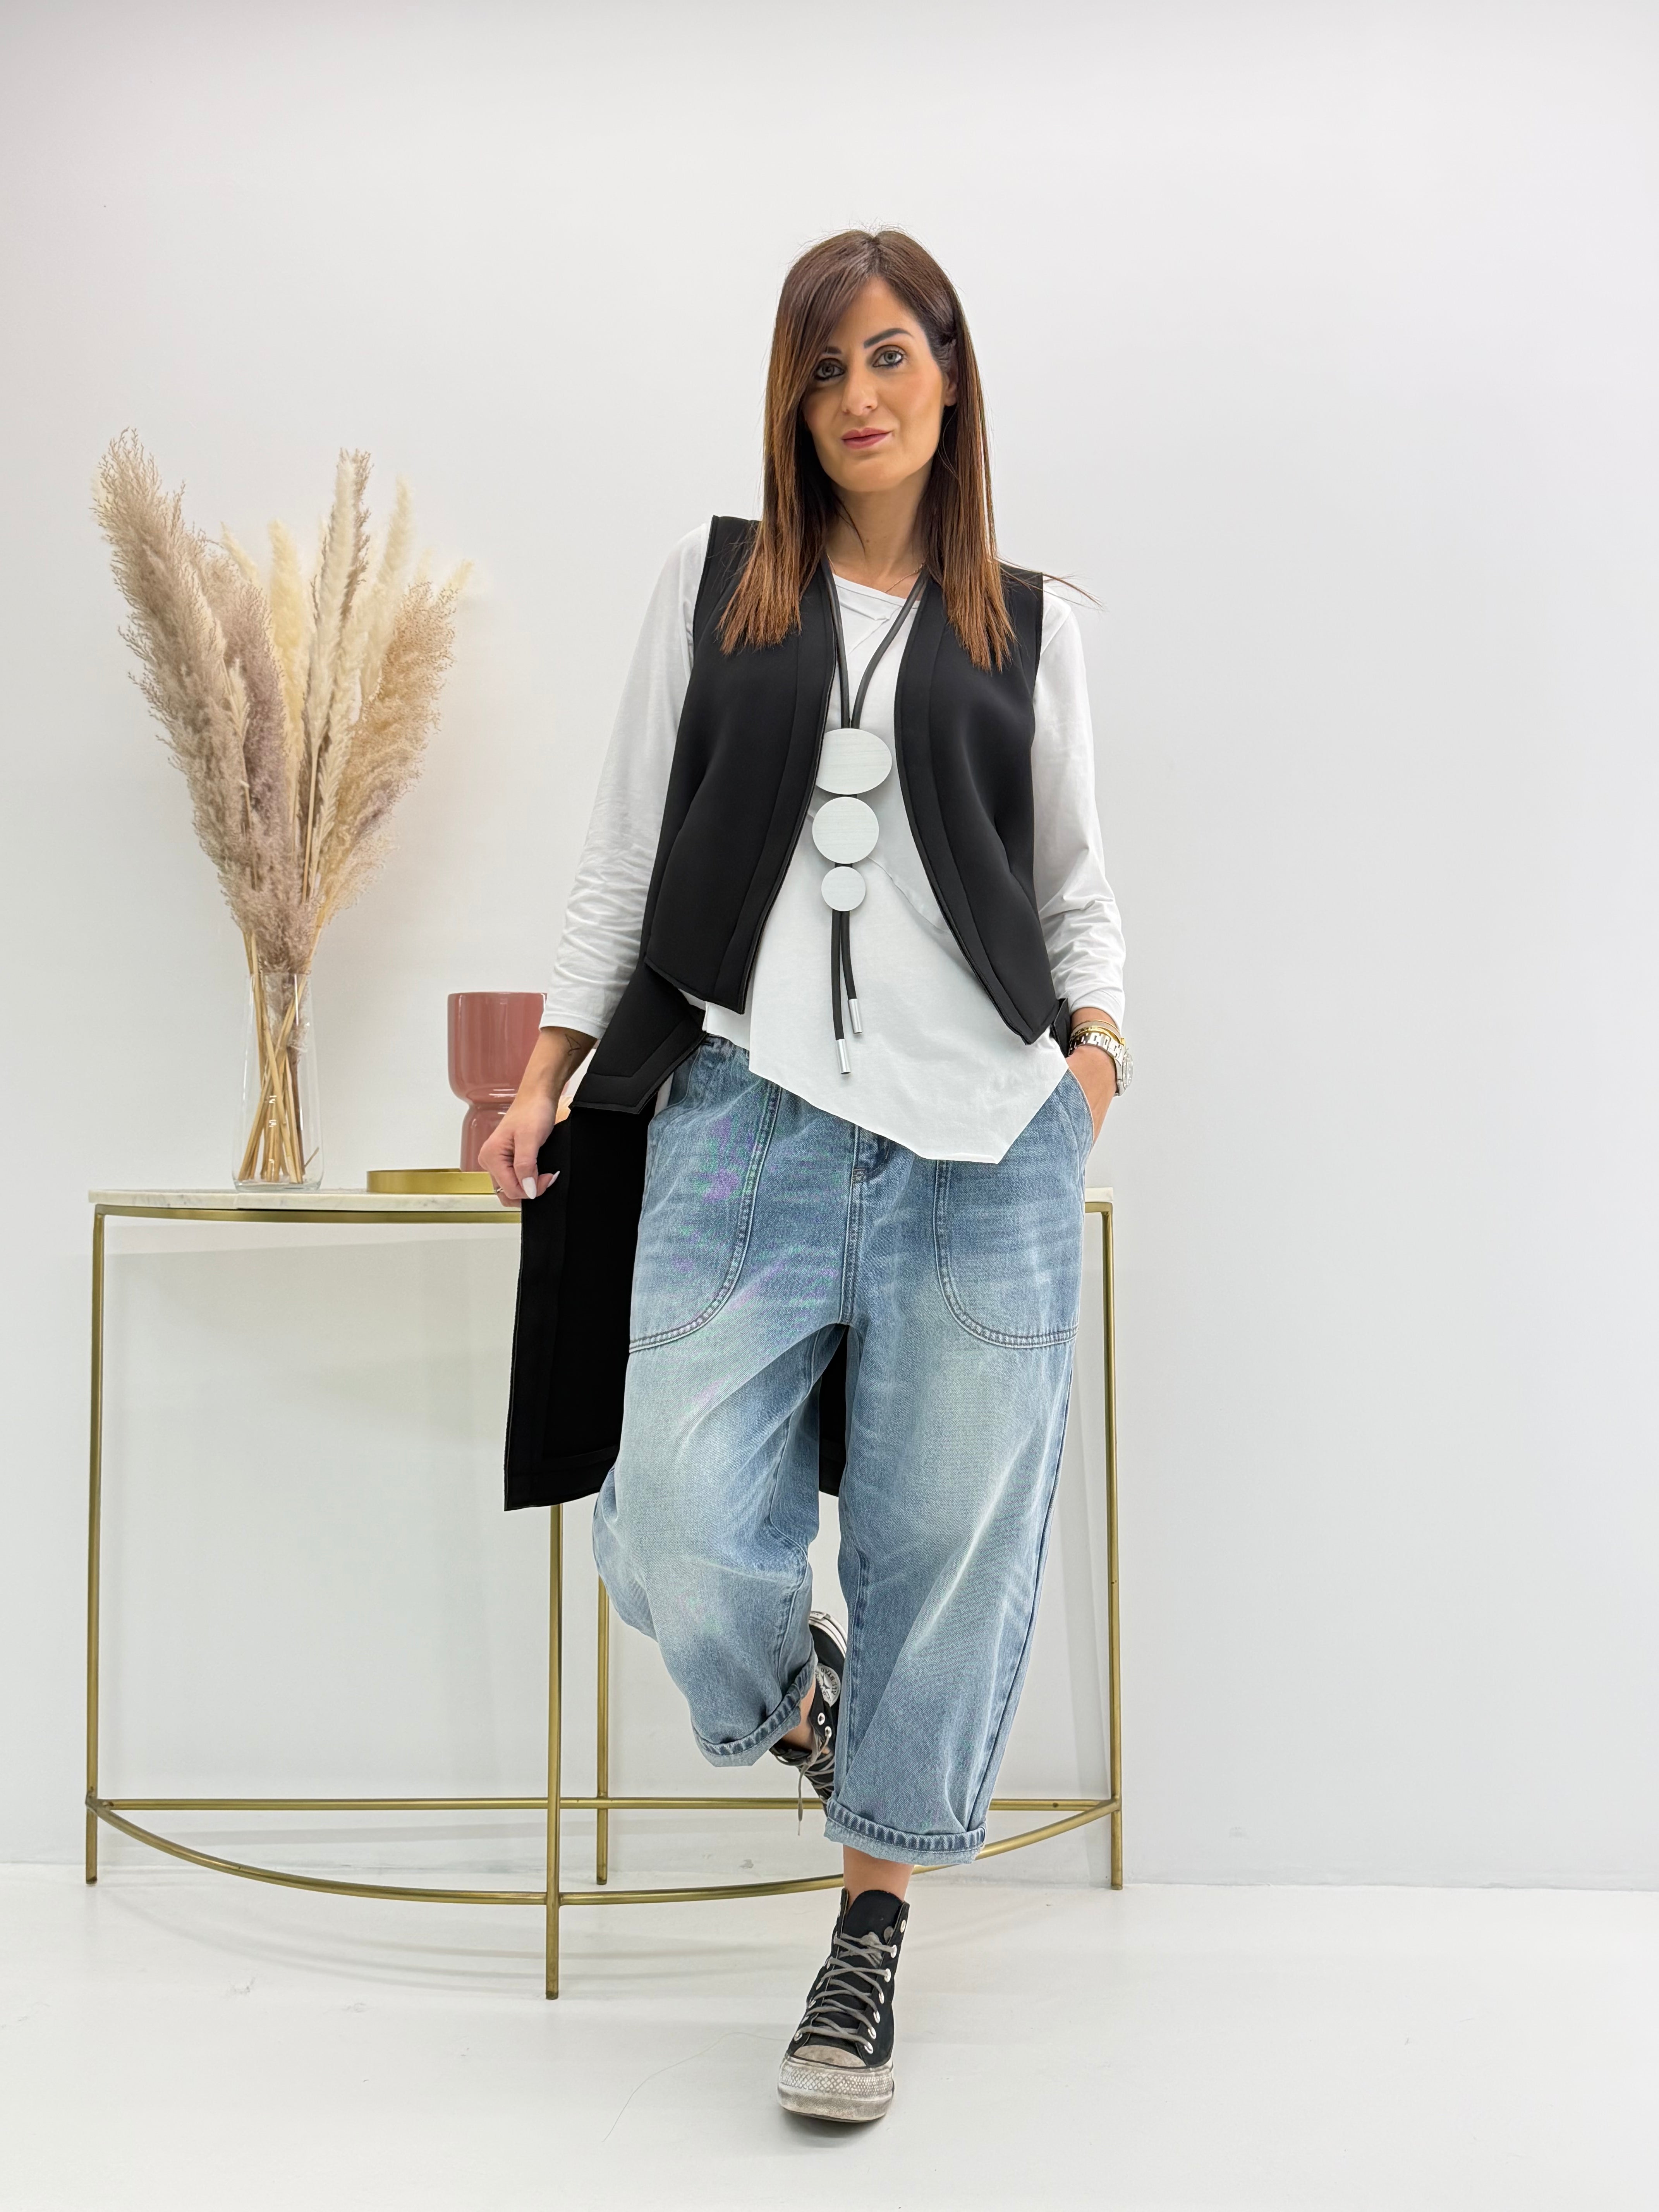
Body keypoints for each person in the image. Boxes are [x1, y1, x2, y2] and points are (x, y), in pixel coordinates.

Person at [483, 228, 1130, 2124]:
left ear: (951, 375)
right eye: (825, 365)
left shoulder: (1030, 628)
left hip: (983, 1150)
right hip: (744, 1123)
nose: (860, 394)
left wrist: (1092, 1072)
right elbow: (622, 860)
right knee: (676, 1517)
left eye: (892, 355)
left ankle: (867, 1936)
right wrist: (543, 1076)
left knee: (943, 1551)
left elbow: (1078, 892)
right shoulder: (716, 597)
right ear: (792, 398)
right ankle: (805, 1712)